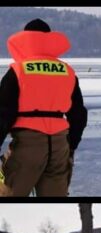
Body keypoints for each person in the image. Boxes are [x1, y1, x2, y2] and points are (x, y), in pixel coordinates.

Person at [0, 19, 87, 197]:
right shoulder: (67, 71)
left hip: (27, 144)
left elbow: (3, 113)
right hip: (60, 144)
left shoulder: (18, 71)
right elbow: (78, 115)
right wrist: (71, 145)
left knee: (8, 193)